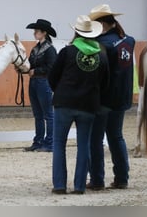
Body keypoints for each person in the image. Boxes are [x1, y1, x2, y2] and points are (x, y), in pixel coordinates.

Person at [48, 15, 109, 194]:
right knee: (84, 145)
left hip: (64, 103)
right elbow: (105, 84)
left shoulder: (67, 52)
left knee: (59, 144)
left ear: (76, 32)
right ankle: (80, 186)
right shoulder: (102, 56)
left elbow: (52, 77)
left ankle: (59, 185)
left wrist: (59, 91)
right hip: (88, 106)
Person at [86, 4, 135, 190]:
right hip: (122, 97)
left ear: (101, 24)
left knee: (95, 139)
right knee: (116, 137)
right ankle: (122, 178)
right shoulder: (128, 41)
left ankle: (97, 179)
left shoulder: (100, 45)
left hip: (104, 99)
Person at [24, 19, 57, 152]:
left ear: (44, 33)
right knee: (38, 114)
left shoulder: (50, 50)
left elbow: (51, 67)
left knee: (48, 114)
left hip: (44, 82)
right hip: (34, 82)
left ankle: (49, 143)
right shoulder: (36, 48)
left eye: (36, 31)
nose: (34, 33)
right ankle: (38, 141)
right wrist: (24, 68)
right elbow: (30, 63)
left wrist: (35, 71)